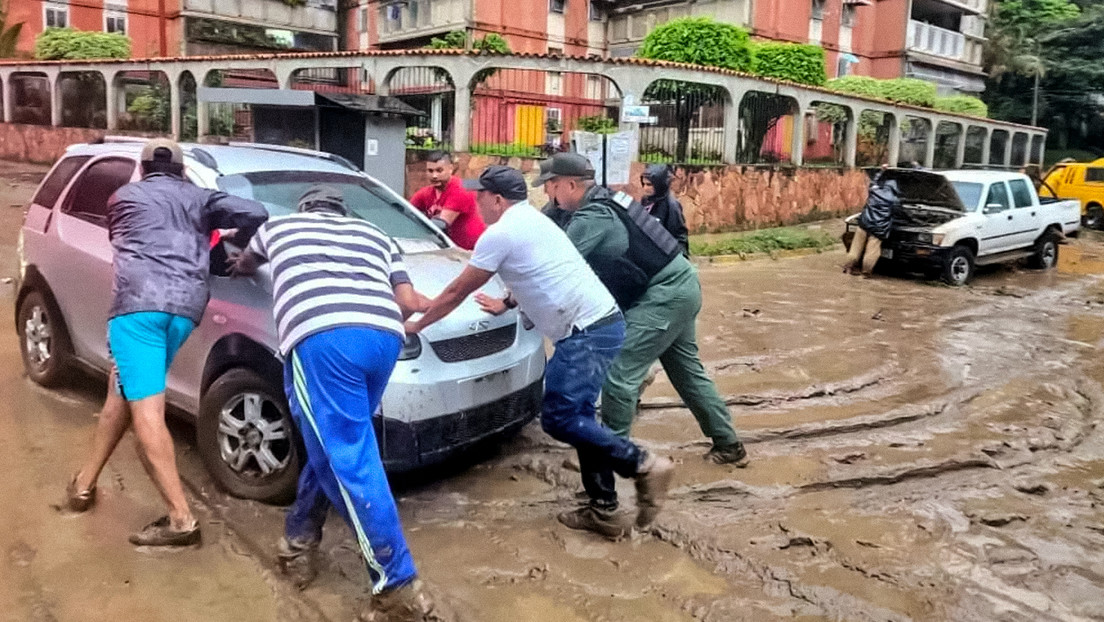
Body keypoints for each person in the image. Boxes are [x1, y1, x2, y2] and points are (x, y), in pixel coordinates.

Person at [409, 165, 675, 541]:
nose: (475, 201)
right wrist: (507, 303)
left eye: (480, 195)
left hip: (587, 332)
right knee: (580, 417)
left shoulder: (500, 234)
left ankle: (644, 465)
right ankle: (605, 510)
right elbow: (539, 271)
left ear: (497, 199)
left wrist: (416, 324)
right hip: (599, 325)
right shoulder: (534, 221)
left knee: (560, 418)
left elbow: (455, 292)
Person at [229, 185, 440, 621]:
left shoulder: (279, 227)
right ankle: (298, 539)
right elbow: (406, 302)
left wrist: (236, 263)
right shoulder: (377, 235)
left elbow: (245, 263)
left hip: (323, 339)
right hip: (383, 340)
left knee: (351, 460)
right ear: (343, 213)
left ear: (306, 209)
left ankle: (397, 584)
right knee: (334, 448)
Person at [61, 139, 268, 547]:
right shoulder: (199, 197)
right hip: (184, 310)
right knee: (122, 396)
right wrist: (229, 246)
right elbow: (256, 212)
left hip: (137, 311)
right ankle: (83, 485)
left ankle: (181, 521)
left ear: (142, 169)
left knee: (147, 416)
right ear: (181, 170)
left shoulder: (121, 196)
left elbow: (124, 236)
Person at [522, 153, 749, 468]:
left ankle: (609, 458)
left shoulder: (594, 217)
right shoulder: (603, 200)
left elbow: (555, 268)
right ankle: (729, 444)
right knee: (686, 372)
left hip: (664, 294)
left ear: (571, 184)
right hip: (680, 283)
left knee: (618, 374)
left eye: (551, 185)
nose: (548, 193)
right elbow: (547, 221)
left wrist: (514, 300)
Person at [409, 150, 486, 250]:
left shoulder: (460, 189)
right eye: (430, 171)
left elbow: (440, 225)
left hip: (471, 251)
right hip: (451, 251)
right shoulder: (426, 193)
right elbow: (405, 211)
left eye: (439, 170)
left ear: (450, 169)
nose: (434, 176)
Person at [843, 167, 899, 277]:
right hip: (879, 227)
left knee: (856, 247)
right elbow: (898, 211)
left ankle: (849, 267)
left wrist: (881, 171)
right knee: (872, 251)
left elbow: (873, 181)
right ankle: (866, 272)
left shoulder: (874, 189)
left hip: (865, 222)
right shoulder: (894, 199)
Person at [641, 164, 689, 256]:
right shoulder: (645, 201)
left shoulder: (671, 206)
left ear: (659, 184)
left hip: (663, 257)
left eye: (649, 184)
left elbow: (679, 236)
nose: (645, 188)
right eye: (644, 184)